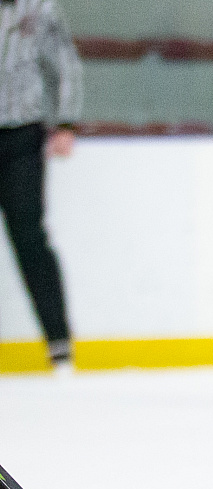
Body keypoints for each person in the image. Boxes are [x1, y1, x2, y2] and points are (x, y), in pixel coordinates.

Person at [0, 0, 81, 372]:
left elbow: (64, 63)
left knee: (30, 237)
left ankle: (58, 341)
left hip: (21, 138)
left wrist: (67, 121)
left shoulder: (39, 9)